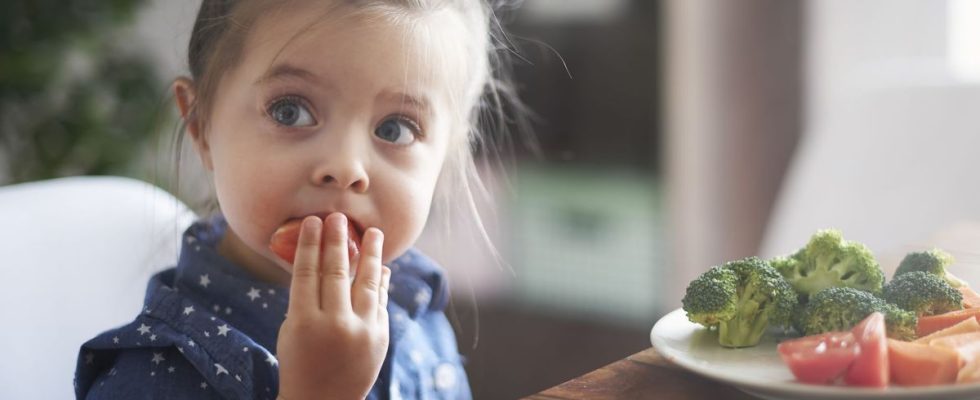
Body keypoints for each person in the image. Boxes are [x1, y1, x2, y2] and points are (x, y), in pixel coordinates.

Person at [74, 0, 526, 398]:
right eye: (290, 111)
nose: (346, 168)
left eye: (395, 129)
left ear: (446, 156)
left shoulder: (417, 305)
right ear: (201, 125)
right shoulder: (152, 380)